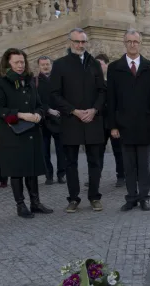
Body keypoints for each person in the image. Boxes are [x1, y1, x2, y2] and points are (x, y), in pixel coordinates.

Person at [0, 48, 53, 218]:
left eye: (22, 62)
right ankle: (20, 205)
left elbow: (39, 104)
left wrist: (38, 115)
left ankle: (35, 202)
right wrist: (20, 114)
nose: (20, 65)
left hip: (32, 132)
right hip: (13, 133)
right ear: (8, 63)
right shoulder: (0, 82)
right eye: (16, 62)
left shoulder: (30, 81)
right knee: (17, 170)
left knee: (32, 168)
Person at [51, 28, 106, 213]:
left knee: (95, 161)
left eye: (83, 42)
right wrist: (73, 111)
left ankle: (94, 197)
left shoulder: (94, 64)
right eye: (77, 41)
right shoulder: (59, 65)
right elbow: (55, 95)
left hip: (93, 119)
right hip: (71, 120)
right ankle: (73, 198)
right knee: (71, 162)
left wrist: (94, 109)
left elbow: (102, 91)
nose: (80, 45)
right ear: (70, 42)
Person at [107, 28, 150, 212]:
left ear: (140, 43)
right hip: (124, 125)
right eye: (129, 41)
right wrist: (112, 125)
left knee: (144, 165)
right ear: (124, 43)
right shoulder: (114, 67)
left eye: (136, 41)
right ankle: (131, 197)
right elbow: (111, 99)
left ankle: (144, 197)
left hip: (146, 124)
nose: (132, 44)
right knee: (128, 164)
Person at [95, 53, 125, 187]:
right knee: (97, 152)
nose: (98, 67)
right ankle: (95, 177)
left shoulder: (115, 79)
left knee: (118, 151)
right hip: (99, 122)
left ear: (107, 64)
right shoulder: (93, 81)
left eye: (100, 64)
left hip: (114, 121)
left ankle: (121, 176)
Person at [35, 56, 66, 185]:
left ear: (51, 65)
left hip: (58, 119)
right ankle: (49, 175)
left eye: (47, 64)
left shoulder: (58, 79)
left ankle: (61, 175)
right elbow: (36, 100)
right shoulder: (34, 81)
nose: (46, 66)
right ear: (39, 66)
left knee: (61, 150)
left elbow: (63, 97)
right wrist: (48, 110)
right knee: (44, 151)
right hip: (43, 120)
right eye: (43, 65)